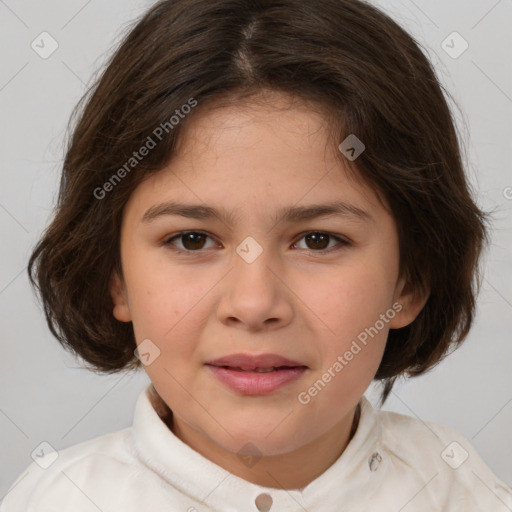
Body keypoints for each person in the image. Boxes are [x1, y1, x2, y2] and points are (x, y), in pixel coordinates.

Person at [3, 0, 511, 510]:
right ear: (115, 278)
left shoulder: (463, 492)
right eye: (192, 240)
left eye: (318, 240)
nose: (253, 304)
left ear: (410, 279)